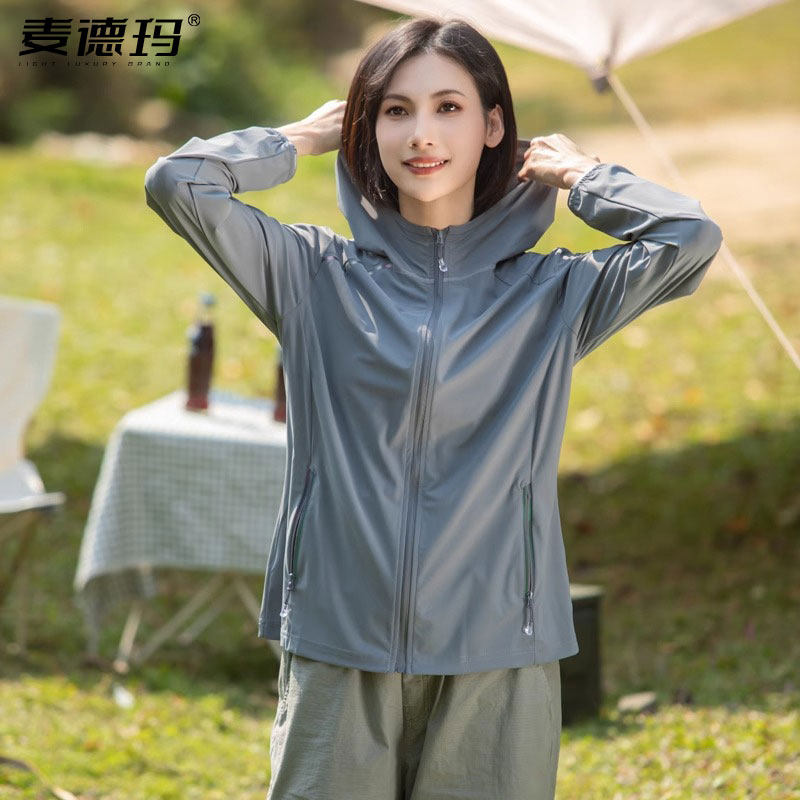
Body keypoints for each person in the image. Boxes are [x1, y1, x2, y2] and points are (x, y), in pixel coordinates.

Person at [144, 16, 723, 800]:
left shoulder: (553, 294)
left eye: (449, 107)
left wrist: (583, 176)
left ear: (494, 126)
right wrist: (299, 138)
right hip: (339, 636)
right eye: (394, 110)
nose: (421, 134)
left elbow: (689, 237)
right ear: (367, 128)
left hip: (499, 645)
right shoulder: (312, 275)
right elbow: (178, 183)